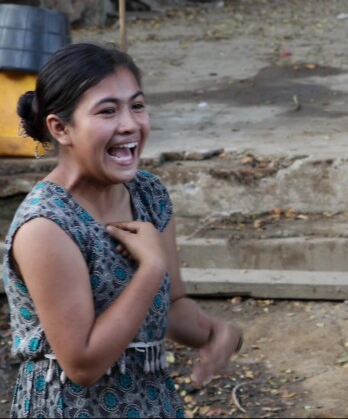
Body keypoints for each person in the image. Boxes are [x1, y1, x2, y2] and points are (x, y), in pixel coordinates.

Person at [2, 42, 243, 418]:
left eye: (137, 105)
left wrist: (216, 332)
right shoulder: (45, 226)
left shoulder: (148, 194)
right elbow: (81, 364)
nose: (130, 124)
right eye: (108, 111)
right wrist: (149, 270)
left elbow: (172, 307)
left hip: (152, 404)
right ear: (61, 128)